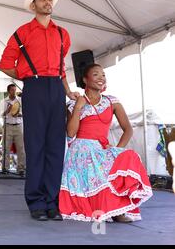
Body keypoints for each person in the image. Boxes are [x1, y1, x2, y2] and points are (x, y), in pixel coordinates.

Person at [0, 0, 79, 221]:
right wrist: (25, 75)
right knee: (35, 146)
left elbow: (62, 69)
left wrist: (68, 92)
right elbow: (4, 64)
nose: (47, 2)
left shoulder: (62, 34)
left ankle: (52, 202)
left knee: (56, 147)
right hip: (33, 87)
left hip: (56, 87)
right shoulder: (22, 32)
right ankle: (36, 202)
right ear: (33, 6)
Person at [59, 64, 153, 222]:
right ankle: (111, 210)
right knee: (97, 167)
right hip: (79, 150)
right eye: (96, 74)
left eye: (103, 75)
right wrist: (77, 108)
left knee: (127, 157)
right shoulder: (74, 103)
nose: (101, 78)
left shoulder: (112, 101)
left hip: (101, 147)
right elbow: (70, 133)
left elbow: (128, 129)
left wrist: (116, 150)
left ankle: (116, 210)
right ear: (85, 80)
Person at [0, 84, 25, 175]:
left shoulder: (20, 100)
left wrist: (19, 114)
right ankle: (5, 168)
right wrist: (7, 111)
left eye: (15, 90)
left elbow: (26, 112)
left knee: (21, 148)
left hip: (18, 125)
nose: (14, 92)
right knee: (6, 148)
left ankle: (21, 168)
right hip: (7, 125)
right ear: (8, 91)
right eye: (12, 90)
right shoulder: (4, 101)